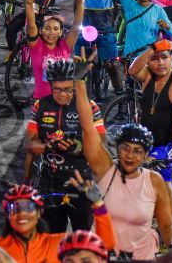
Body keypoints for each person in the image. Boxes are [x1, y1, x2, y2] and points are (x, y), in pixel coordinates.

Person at [75, 58, 172, 261]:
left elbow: (167, 225)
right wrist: (79, 82)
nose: (130, 155)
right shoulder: (106, 170)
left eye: (138, 151)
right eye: (125, 149)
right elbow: (88, 129)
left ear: (146, 155)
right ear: (117, 148)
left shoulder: (155, 182)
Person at [23, 59, 103, 233]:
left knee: (81, 238)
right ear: (50, 86)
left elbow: (101, 143)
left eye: (68, 89)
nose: (62, 94)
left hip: (82, 183)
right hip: (50, 182)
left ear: (75, 85)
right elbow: (29, 143)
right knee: (51, 238)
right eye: (57, 89)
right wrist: (47, 146)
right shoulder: (40, 105)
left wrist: (79, 147)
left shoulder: (90, 106)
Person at [0, 182, 116, 263]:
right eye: (14, 208)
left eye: (28, 207)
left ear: (40, 213)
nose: (22, 214)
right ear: (7, 214)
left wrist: (98, 204)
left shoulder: (59, 243)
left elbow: (105, 244)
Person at [128, 40, 172, 214]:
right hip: (149, 140)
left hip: (170, 142)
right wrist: (153, 48)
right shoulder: (148, 76)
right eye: (155, 59)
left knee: (151, 169)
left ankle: (167, 220)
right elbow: (132, 70)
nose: (160, 63)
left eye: (164, 57)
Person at [25, 0, 83, 99]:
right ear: (41, 30)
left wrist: (80, 3)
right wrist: (29, 3)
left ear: (61, 32)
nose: (51, 32)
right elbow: (31, 25)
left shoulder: (65, 46)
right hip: (41, 101)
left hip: (64, 100)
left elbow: (76, 27)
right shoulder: (37, 46)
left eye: (56, 29)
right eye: (47, 28)